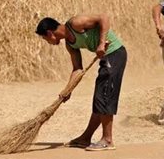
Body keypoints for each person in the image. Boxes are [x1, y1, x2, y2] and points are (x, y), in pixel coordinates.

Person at [35, 14, 127, 150]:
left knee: (104, 95)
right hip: (106, 57)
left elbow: (104, 18)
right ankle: (85, 138)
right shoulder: (70, 44)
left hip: (115, 53)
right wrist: (68, 89)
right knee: (99, 99)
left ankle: (107, 140)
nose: (47, 41)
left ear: (50, 33)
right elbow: (77, 69)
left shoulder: (75, 23)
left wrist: (101, 43)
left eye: (45, 38)